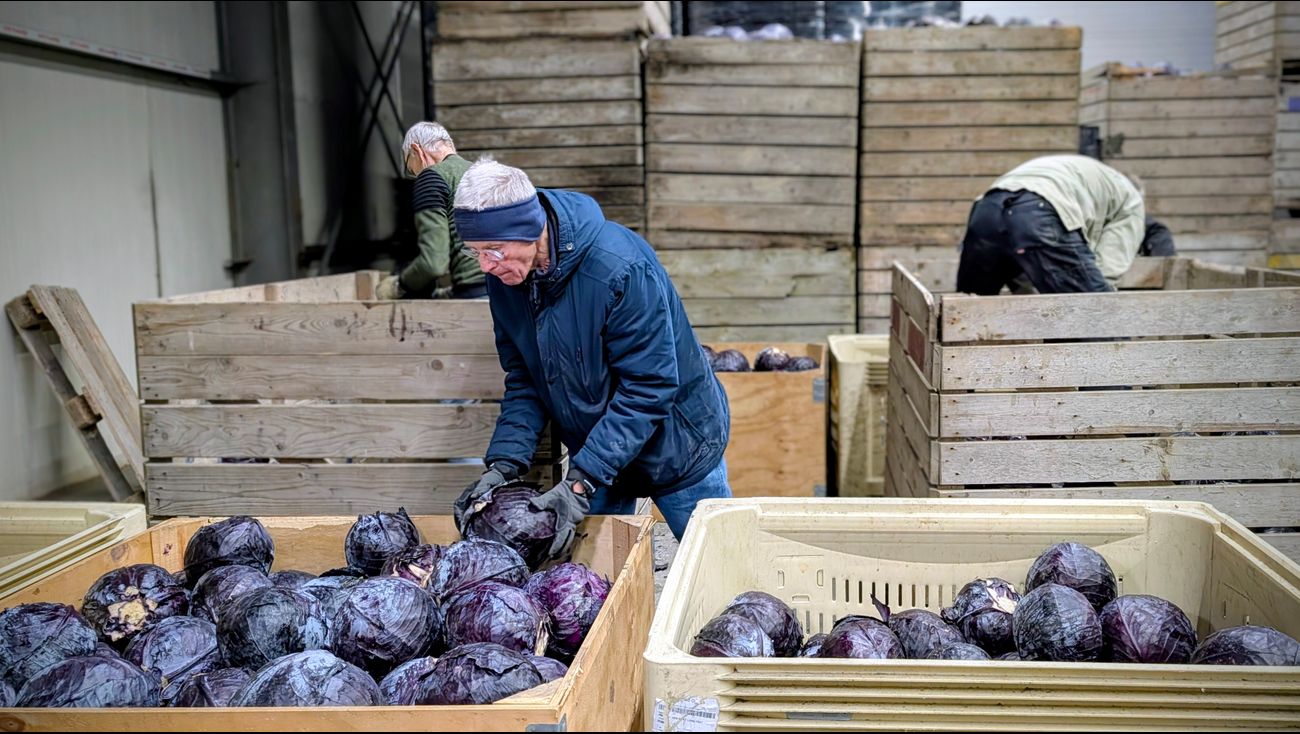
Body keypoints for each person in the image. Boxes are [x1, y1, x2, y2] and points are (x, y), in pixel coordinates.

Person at [449, 159, 732, 554]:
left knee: (718, 566)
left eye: (493, 250)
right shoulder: (506, 280)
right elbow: (525, 378)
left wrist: (580, 481)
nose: (485, 265)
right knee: (600, 584)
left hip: (676, 446)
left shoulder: (619, 269)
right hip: (600, 451)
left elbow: (648, 387)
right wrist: (505, 463)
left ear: (528, 229)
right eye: (474, 252)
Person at [957, 155, 1144, 295]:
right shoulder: (1132, 200)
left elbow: (1027, 263)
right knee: (1095, 314)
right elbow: (1110, 266)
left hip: (987, 208)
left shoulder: (1090, 176)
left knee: (968, 312)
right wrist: (1102, 297)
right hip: (1041, 208)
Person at [376, 122, 486, 300]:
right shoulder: (481, 172)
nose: (416, 176)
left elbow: (433, 264)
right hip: (508, 291)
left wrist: (399, 285)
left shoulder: (431, 177)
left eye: (412, 169)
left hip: (474, 293)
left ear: (416, 150)